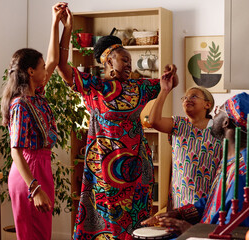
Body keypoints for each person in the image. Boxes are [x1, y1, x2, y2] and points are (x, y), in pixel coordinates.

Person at [57, 9, 179, 239]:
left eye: (130, 61)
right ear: (108, 61)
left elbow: (170, 83)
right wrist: (67, 28)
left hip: (138, 171)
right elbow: (62, 67)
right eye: (124, 59)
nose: (129, 65)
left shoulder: (137, 87)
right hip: (105, 171)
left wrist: (170, 77)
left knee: (137, 226)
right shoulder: (94, 88)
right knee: (109, 224)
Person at [142, 92, 249, 235]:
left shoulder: (244, 171)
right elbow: (215, 201)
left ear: (226, 122)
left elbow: (239, 232)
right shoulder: (232, 158)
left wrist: (190, 229)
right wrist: (179, 213)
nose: (214, 115)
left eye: (218, 111)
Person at [0, 3, 68, 239]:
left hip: (42, 168)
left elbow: (52, 59)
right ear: (30, 72)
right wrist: (35, 188)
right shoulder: (20, 105)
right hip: (28, 172)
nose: (45, 71)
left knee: (42, 235)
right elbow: (16, 152)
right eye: (40, 68)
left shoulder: (37, 95)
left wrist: (56, 23)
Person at [148, 84, 222, 209]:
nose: (187, 99)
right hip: (179, 199)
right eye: (185, 98)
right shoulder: (178, 124)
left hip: (207, 201)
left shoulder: (218, 128)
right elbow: (154, 121)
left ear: (207, 105)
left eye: (193, 96)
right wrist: (165, 90)